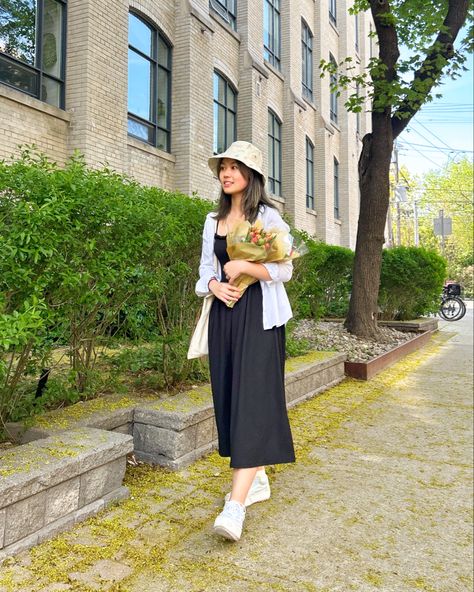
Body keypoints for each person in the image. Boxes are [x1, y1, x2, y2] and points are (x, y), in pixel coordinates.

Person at [195, 140, 295, 542]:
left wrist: (245, 264)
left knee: (253, 400)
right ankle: (256, 478)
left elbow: (285, 268)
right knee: (231, 400)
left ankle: (234, 508)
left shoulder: (267, 216)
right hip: (225, 316)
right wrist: (216, 285)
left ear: (251, 175)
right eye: (223, 167)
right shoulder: (211, 221)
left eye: (235, 167)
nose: (226, 173)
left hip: (260, 318)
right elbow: (204, 272)